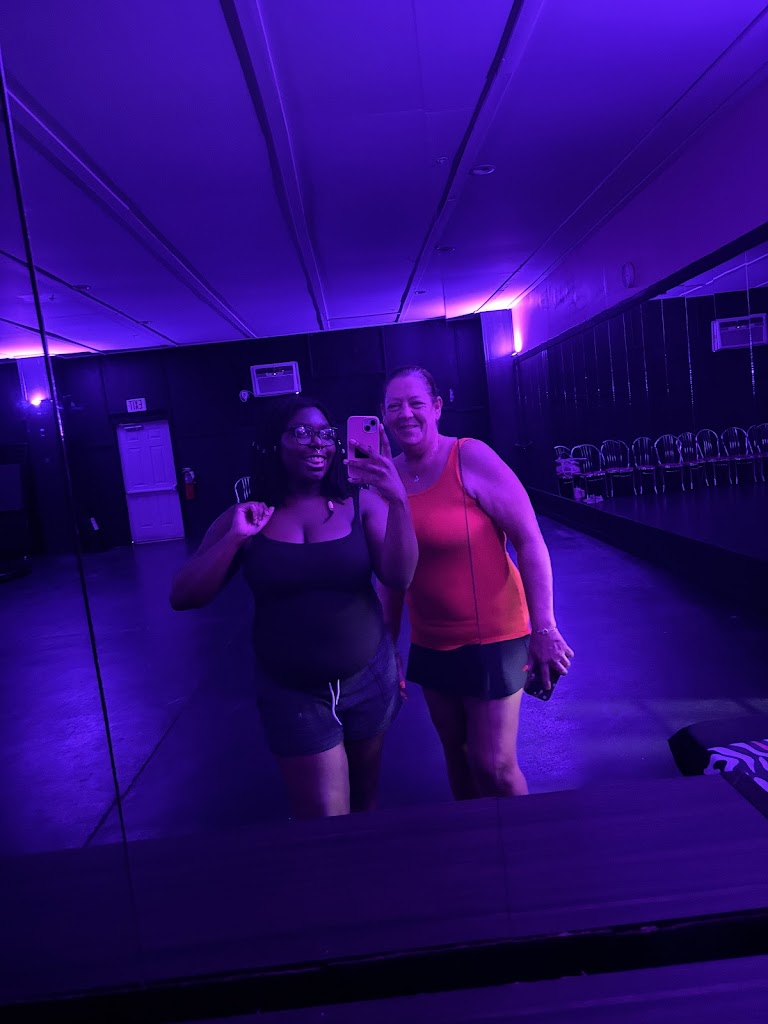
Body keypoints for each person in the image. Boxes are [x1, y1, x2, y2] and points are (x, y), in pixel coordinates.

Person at [170, 395, 418, 819]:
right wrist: (235, 538)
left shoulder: (360, 504)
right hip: (293, 693)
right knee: (324, 819)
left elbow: (400, 576)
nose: (317, 442)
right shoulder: (248, 515)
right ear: (274, 443)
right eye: (301, 432)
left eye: (325, 433)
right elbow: (183, 595)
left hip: (368, 680)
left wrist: (398, 501)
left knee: (366, 806)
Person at [379, 366, 574, 799]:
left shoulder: (470, 457)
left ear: (436, 407)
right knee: (458, 757)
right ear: (384, 416)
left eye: (415, 403)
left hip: (494, 635)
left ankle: (525, 840)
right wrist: (387, 648)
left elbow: (530, 540)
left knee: (494, 767)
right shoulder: (387, 478)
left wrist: (544, 627)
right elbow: (391, 576)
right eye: (394, 406)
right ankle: (479, 841)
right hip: (431, 641)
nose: (405, 413)